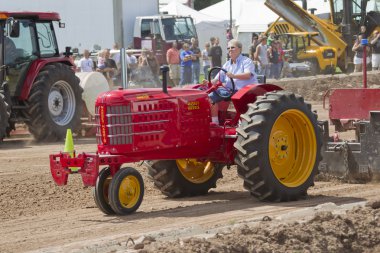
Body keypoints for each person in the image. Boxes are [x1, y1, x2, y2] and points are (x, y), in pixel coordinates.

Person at [204, 39, 258, 124]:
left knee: (237, 97)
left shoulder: (246, 61)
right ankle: (215, 123)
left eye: (232, 47)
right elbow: (217, 79)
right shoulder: (227, 64)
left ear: (240, 49)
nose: (230, 49)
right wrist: (209, 82)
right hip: (230, 90)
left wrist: (234, 76)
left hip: (244, 90)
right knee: (210, 97)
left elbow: (248, 75)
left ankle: (242, 122)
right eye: (228, 48)